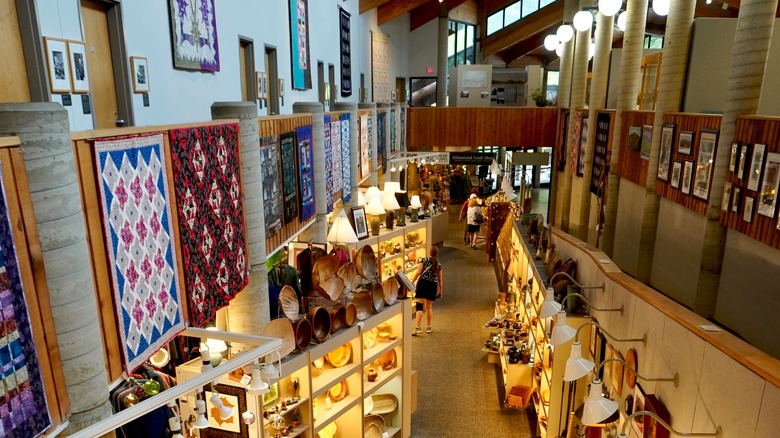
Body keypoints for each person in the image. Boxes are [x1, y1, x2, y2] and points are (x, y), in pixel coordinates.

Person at [411, 246, 443, 335]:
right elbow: (440, 279)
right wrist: (441, 291)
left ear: (429, 252)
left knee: (419, 306)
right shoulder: (438, 265)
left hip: (422, 284)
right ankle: (428, 327)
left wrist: (412, 282)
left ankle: (418, 327)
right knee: (429, 307)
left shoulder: (423, 261)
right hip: (432, 285)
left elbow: (418, 272)